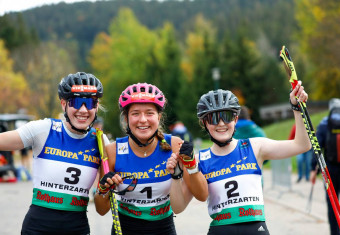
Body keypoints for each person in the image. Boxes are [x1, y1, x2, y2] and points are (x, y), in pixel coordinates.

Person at [184, 81, 310, 234]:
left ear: (236, 119)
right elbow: (178, 206)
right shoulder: (197, 160)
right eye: (214, 118)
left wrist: (297, 108)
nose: (222, 123)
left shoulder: (255, 147)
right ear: (204, 123)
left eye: (227, 116)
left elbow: (302, 145)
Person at [0, 72, 107, 234]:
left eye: (90, 103)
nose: (83, 110)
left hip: (77, 228)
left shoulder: (100, 141)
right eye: (77, 102)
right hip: (37, 227)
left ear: (96, 106)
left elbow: (104, 205)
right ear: (64, 104)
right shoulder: (44, 129)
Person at [94, 83, 202, 235]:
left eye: (149, 113)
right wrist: (103, 189)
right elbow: (100, 209)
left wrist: (192, 165)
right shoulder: (113, 150)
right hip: (125, 228)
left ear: (159, 116)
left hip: (163, 228)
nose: (143, 120)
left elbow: (202, 196)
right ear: (126, 118)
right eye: (135, 113)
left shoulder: (174, 145)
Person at [311, 98, 340, 235]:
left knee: (332, 202)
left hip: (330, 169)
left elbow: (316, 148)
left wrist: (313, 168)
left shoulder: (324, 123)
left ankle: (335, 232)